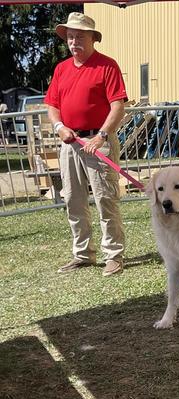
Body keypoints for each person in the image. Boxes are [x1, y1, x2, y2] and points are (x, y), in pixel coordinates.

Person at [45, 12, 128, 276]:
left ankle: (113, 255)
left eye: (79, 36)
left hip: (98, 141)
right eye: (70, 36)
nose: (73, 41)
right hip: (70, 142)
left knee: (105, 199)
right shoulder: (61, 69)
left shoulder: (107, 66)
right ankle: (83, 254)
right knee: (73, 200)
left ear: (93, 38)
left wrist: (101, 136)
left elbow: (118, 107)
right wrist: (59, 127)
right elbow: (52, 106)